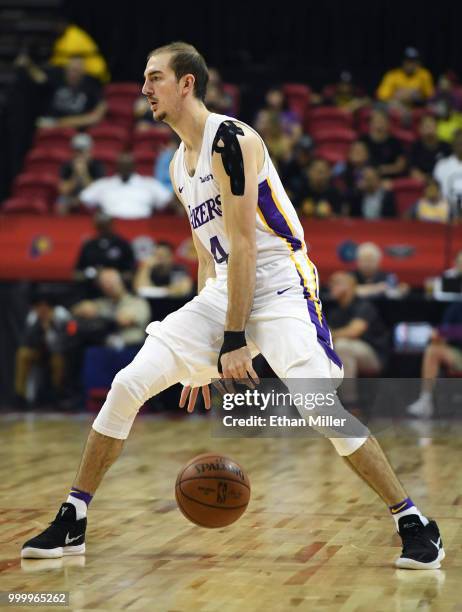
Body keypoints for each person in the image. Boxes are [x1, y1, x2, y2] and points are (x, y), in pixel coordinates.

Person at [21, 41, 444, 570]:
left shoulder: (232, 139)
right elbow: (209, 260)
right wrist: (195, 361)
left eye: (155, 78)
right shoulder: (178, 165)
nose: (144, 88)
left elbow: (245, 245)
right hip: (226, 286)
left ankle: (412, 520)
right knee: (130, 383)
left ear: (187, 83)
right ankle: (74, 517)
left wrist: (232, 340)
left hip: (281, 282)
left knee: (319, 407)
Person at [327, 271, 389, 399]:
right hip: (347, 354)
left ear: (349, 286)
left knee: (342, 346)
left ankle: (351, 404)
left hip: (374, 356)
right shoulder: (334, 311)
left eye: (336, 283)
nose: (331, 286)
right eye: (331, 283)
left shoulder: (364, 306)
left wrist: (330, 334)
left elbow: (354, 331)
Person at [17, 55, 107, 130]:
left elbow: (97, 115)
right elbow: (40, 78)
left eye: (76, 71)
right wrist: (28, 65)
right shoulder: (58, 79)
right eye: (69, 70)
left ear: (83, 72)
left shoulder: (91, 86)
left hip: (77, 131)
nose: (72, 73)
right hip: (50, 126)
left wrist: (61, 123)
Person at [14, 292, 71, 406]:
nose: (42, 309)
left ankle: (57, 394)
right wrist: (40, 327)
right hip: (39, 351)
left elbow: (69, 336)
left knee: (57, 360)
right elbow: (28, 341)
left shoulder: (61, 315)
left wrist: (51, 326)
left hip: (59, 352)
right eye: (39, 306)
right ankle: (20, 395)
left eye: (45, 306)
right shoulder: (33, 316)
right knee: (23, 354)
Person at [407, 302, 462, 418]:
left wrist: (444, 332)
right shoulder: (456, 307)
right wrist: (438, 336)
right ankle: (425, 400)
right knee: (432, 350)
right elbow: (441, 332)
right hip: (459, 354)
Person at [72, 269, 150, 349]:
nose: (108, 286)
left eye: (111, 282)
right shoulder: (102, 303)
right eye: (104, 283)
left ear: (121, 281)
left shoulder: (137, 302)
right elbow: (76, 310)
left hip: (132, 349)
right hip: (105, 348)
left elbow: (124, 320)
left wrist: (98, 313)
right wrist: (84, 308)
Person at [79, 152, 173, 219]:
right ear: (117, 166)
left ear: (133, 166)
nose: (124, 168)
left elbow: (168, 201)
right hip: (112, 227)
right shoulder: (104, 184)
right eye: (122, 165)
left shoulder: (149, 184)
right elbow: (83, 198)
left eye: (127, 165)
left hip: (143, 226)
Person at [74, 212, 136, 293]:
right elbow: (76, 274)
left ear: (111, 224)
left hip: (119, 292)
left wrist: (111, 277)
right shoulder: (89, 246)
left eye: (105, 225)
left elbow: (132, 273)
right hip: (92, 293)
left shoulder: (123, 245)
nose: (103, 229)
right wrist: (92, 275)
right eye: (100, 225)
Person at [57, 133, 105, 214]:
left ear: (90, 151)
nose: (79, 154)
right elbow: (63, 190)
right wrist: (75, 174)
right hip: (72, 197)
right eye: (77, 151)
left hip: (91, 198)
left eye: (82, 151)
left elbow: (97, 191)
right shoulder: (67, 166)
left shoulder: (97, 166)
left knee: (103, 202)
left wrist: (84, 173)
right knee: (61, 202)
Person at [360, 109, 407, 179]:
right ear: (370, 124)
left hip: (388, 180)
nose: (379, 123)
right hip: (366, 177)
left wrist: (380, 170)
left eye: (382, 121)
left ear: (388, 124)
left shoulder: (395, 143)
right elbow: (356, 160)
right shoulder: (362, 140)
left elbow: (400, 166)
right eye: (376, 121)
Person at [409, 115, 451, 180]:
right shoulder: (415, 147)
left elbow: (452, 168)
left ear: (436, 128)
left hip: (443, 180)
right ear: (420, 129)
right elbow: (413, 171)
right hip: (422, 183)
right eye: (426, 126)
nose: (429, 129)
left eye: (431, 126)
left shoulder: (446, 147)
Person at [433, 129, 462, 210]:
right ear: (453, 144)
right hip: (445, 212)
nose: (461, 146)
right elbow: (434, 190)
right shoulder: (441, 165)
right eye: (459, 143)